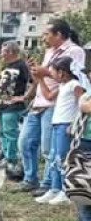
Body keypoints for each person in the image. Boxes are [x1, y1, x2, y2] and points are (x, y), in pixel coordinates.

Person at [21, 19, 86, 196]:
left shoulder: (74, 51)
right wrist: (35, 71)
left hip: (56, 104)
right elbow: (44, 76)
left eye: (47, 34)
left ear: (59, 35)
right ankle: (30, 178)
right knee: (26, 143)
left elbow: (76, 76)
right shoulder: (49, 52)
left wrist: (45, 72)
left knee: (50, 150)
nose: (43, 38)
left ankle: (50, 184)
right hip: (40, 100)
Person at [36, 57, 87, 205]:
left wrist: (75, 123)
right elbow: (48, 96)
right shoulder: (63, 85)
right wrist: (40, 80)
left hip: (66, 125)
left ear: (63, 72)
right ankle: (55, 188)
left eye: (53, 72)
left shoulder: (74, 85)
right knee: (54, 158)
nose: (52, 75)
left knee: (63, 158)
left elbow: (81, 104)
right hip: (56, 124)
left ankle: (66, 190)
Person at [58, 91, 91, 221]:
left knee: (88, 210)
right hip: (84, 144)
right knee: (82, 202)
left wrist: (84, 103)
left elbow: (86, 106)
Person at [0, 42, 31, 181]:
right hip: (1, 104)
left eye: (3, 51)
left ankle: (12, 160)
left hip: (13, 106)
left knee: (11, 132)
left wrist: (23, 97)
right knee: (2, 132)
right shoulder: (6, 67)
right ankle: (7, 157)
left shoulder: (22, 66)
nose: (1, 54)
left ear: (11, 52)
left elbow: (32, 83)